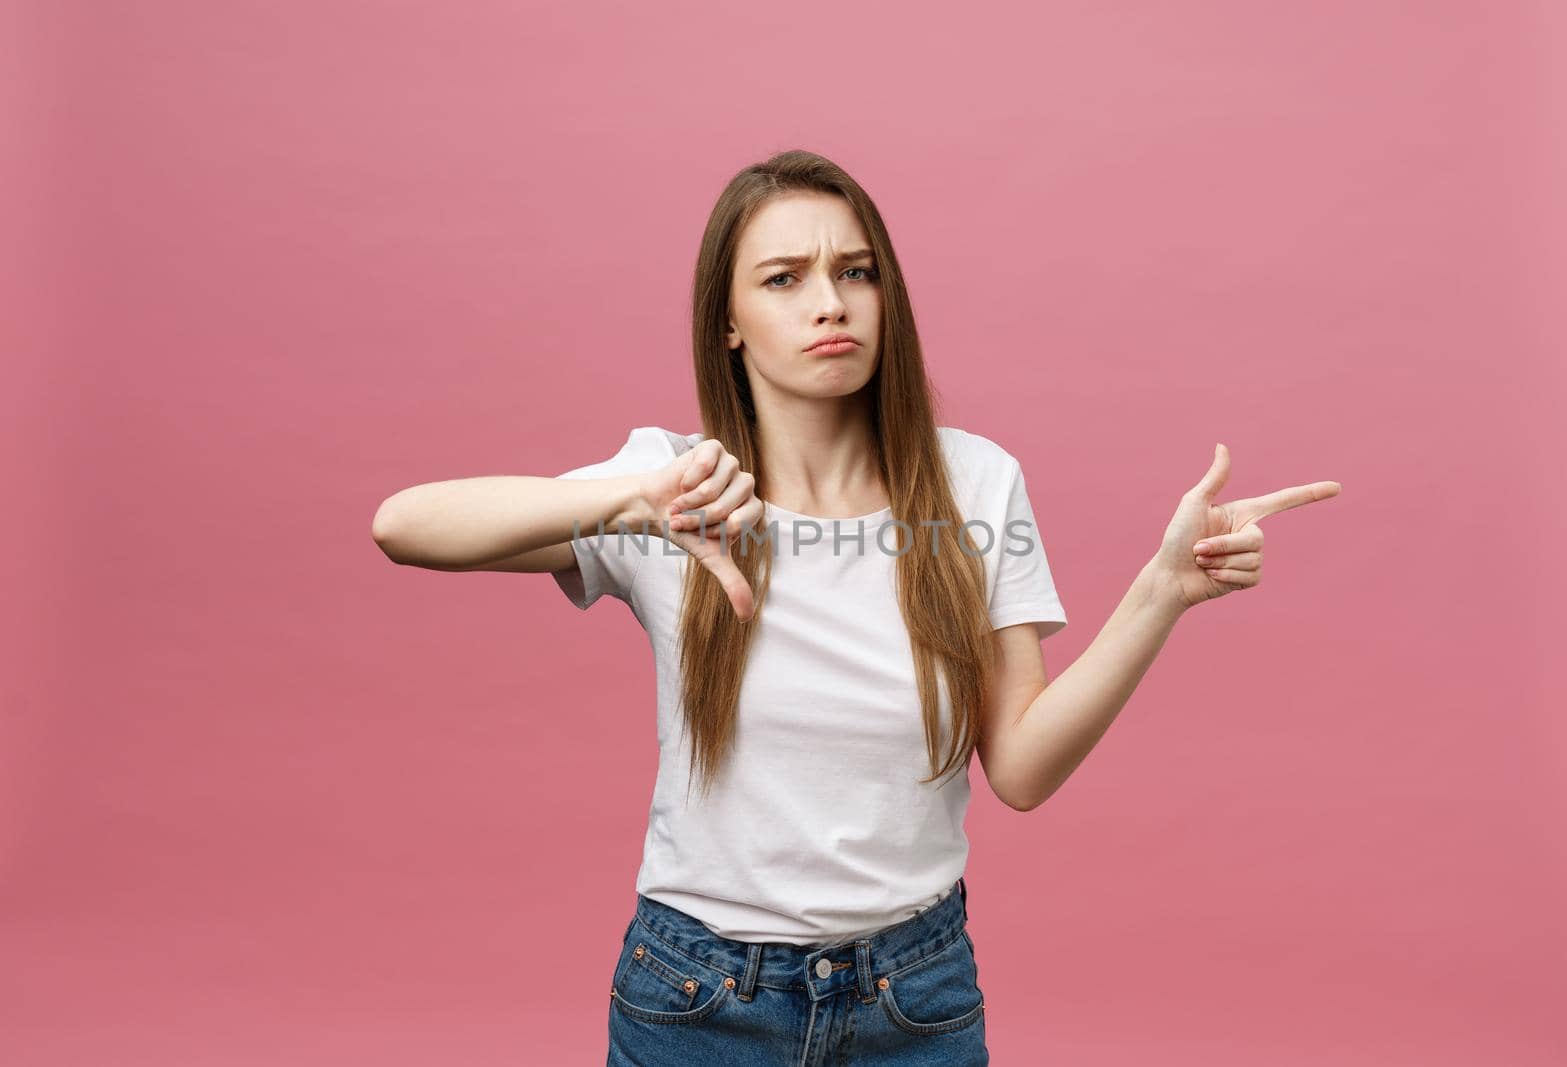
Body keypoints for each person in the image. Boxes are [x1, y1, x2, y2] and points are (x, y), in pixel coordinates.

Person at [371, 149, 1342, 1065]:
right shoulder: (677, 486)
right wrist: (626, 502)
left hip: (912, 994)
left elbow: (1023, 767)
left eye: (857, 271)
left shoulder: (974, 482)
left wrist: (1162, 592)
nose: (830, 302)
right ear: (729, 320)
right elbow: (405, 524)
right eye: (784, 278)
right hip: (701, 995)